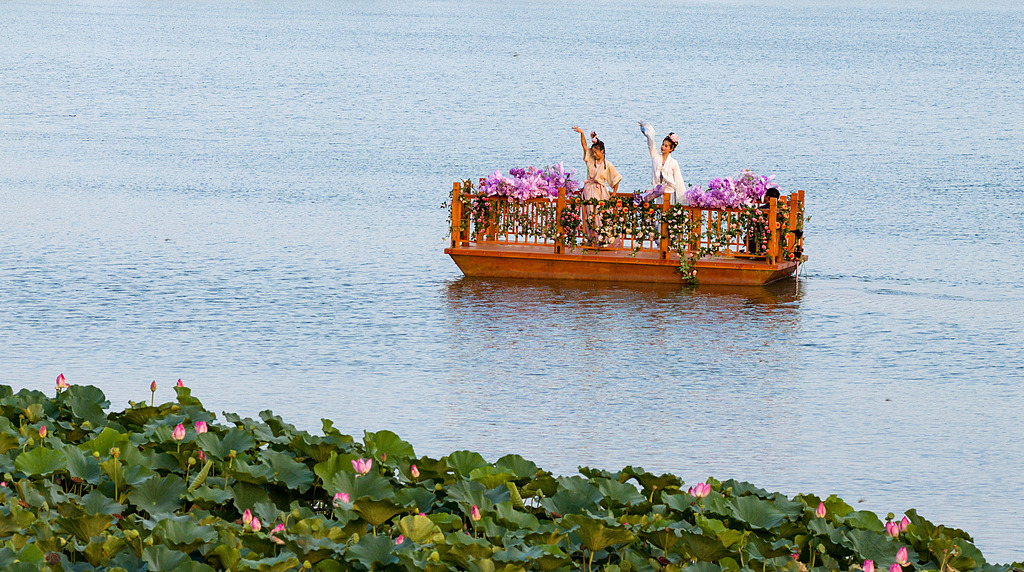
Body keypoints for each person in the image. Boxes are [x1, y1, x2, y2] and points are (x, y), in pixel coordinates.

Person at [639, 121, 686, 204]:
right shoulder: (656, 157)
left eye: (666, 146)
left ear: (671, 149)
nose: (663, 147)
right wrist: (646, 129)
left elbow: (679, 181)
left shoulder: (673, 162)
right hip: (658, 194)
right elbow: (651, 144)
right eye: (663, 144)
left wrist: (682, 199)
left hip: (670, 194)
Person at [571, 126, 621, 200]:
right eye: (593, 152)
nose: (594, 154)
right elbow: (584, 146)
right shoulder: (591, 160)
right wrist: (582, 133)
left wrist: (614, 193)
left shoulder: (607, 164)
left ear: (602, 151)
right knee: (589, 209)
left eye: (596, 152)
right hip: (589, 190)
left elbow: (616, 178)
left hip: (600, 192)